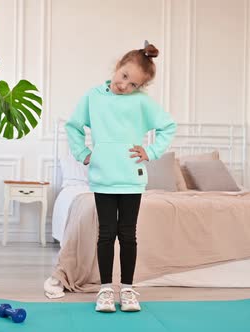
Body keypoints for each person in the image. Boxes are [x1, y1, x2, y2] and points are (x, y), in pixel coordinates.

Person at [65, 41, 176, 312]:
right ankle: (105, 290)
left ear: (140, 88)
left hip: (131, 178)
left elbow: (167, 127)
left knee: (127, 235)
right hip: (103, 176)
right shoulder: (93, 97)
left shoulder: (141, 103)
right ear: (118, 66)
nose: (125, 85)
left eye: (134, 84)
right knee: (106, 234)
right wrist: (84, 153)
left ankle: (128, 290)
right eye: (124, 76)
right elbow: (74, 126)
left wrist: (149, 151)